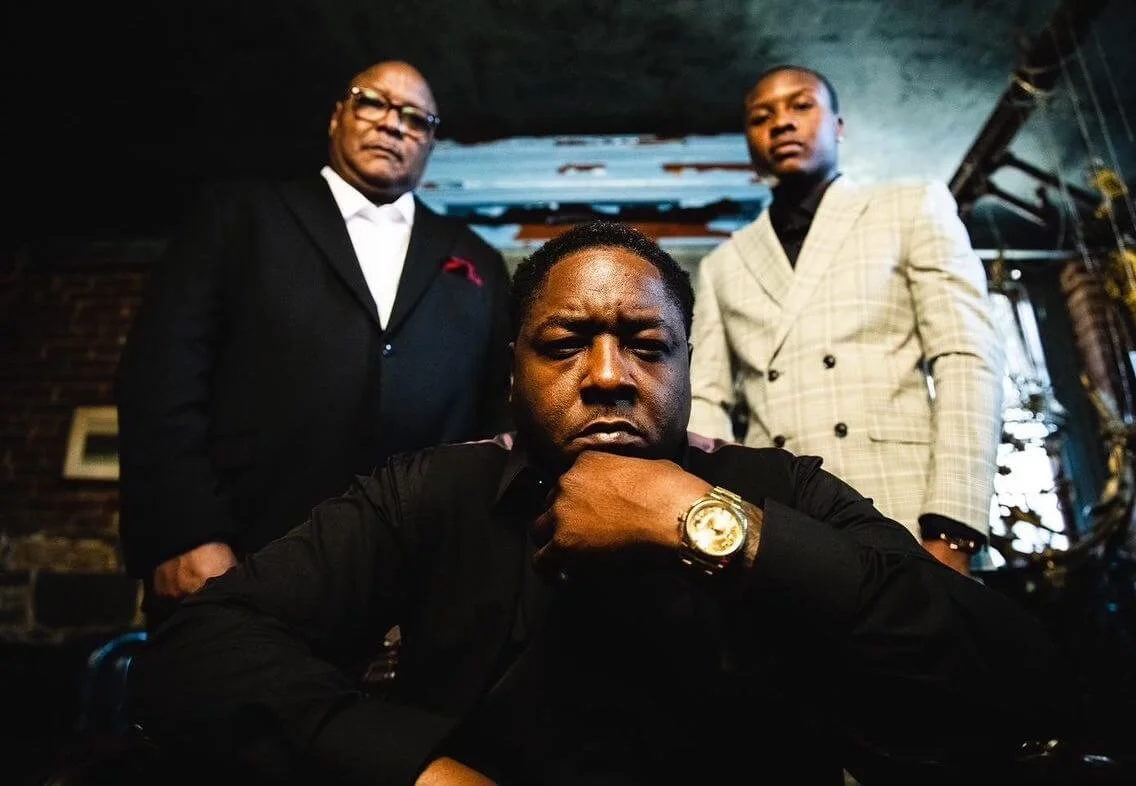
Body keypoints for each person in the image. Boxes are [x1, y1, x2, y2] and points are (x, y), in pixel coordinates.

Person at [125, 220, 1066, 785]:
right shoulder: (428, 492)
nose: (608, 375)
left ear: (691, 367)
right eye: (565, 343)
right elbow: (197, 654)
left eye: (648, 345)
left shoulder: (780, 489)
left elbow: (1007, 668)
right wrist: (411, 769)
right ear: (512, 371)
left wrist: (706, 524)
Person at [115, 60, 512, 630]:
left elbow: (497, 405)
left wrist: (475, 555)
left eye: (415, 118)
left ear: (429, 144)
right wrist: (183, 532)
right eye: (372, 102)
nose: (393, 124)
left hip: (420, 581)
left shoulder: (476, 258)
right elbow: (162, 376)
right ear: (336, 117)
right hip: (243, 557)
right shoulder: (237, 216)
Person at [688, 65, 1005, 576]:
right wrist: (720, 521)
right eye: (761, 116)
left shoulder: (909, 206)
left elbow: (967, 355)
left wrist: (954, 524)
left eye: (801, 105)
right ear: (749, 140)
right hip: (779, 525)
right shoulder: (724, 263)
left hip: (906, 509)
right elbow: (705, 400)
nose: (781, 123)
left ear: (837, 124)